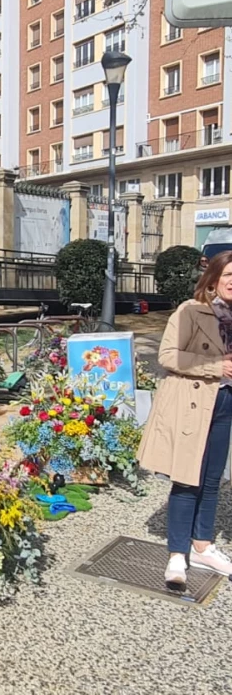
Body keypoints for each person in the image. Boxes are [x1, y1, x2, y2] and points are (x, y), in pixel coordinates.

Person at [138, 250, 232, 588]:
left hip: (225, 403)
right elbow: (167, 355)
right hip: (193, 402)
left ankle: (203, 545)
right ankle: (177, 554)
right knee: (187, 477)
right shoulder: (191, 311)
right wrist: (215, 367)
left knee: (212, 479)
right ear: (214, 278)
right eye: (228, 276)